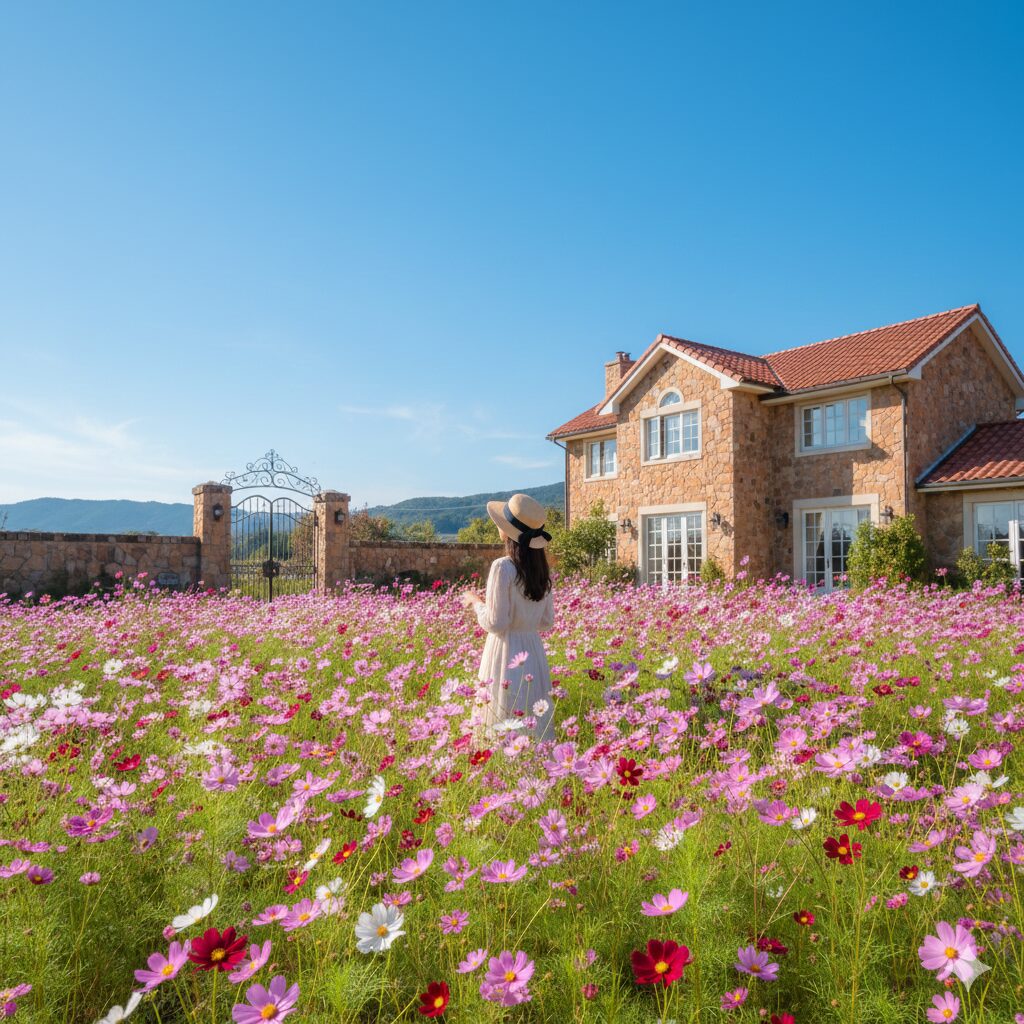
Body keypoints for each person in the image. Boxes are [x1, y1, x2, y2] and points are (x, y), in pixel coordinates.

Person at [460, 493, 556, 741]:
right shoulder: (543, 570)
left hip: (506, 651)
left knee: (504, 715)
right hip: (533, 653)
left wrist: (476, 603)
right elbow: (546, 621)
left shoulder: (503, 566)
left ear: (508, 533)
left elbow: (496, 623)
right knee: (533, 717)